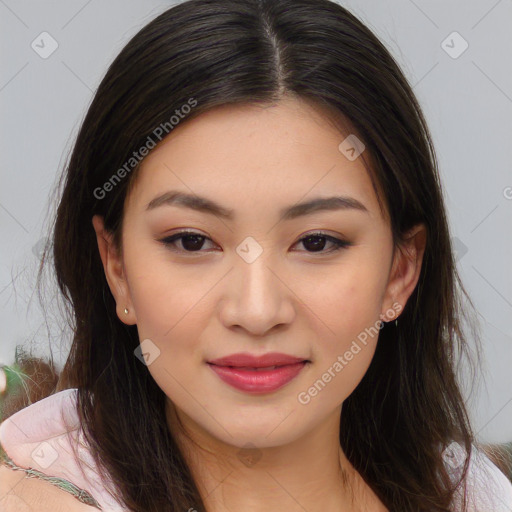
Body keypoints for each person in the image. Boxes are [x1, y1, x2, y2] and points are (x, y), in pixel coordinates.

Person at [1, 0, 511, 510]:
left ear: (400, 273)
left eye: (317, 242)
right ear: (118, 269)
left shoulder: (475, 495)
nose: (257, 311)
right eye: (191, 241)